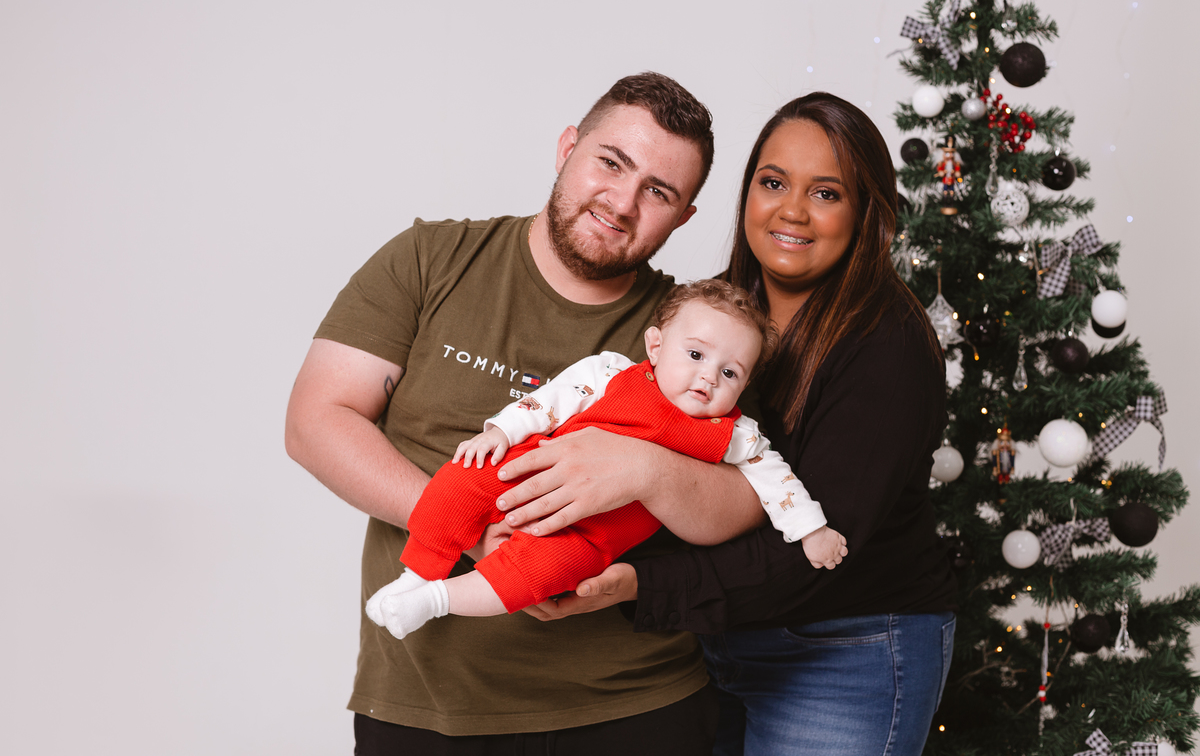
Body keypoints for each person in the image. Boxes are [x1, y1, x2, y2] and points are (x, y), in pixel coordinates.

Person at [285, 73, 765, 755]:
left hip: (635, 707)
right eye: (611, 162)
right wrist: (470, 528)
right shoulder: (432, 259)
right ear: (567, 148)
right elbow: (315, 422)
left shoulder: (699, 334)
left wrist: (646, 470)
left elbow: (747, 503)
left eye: (658, 192)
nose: (622, 203)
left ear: (684, 217)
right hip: (427, 708)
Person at [496, 93, 958, 755]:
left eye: (826, 193)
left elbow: (816, 551)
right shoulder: (713, 316)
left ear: (867, 215)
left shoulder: (889, 347)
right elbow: (649, 447)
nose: (791, 211)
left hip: (847, 648)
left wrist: (638, 585)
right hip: (716, 643)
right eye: (773, 183)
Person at [364, 280, 848, 640]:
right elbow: (551, 401)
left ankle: (435, 600)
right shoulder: (613, 373)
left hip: (589, 536)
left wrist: (812, 529)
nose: (708, 378)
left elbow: (777, 480)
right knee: (461, 481)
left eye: (730, 373)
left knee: (536, 576)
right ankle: (418, 574)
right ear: (656, 346)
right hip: (529, 470)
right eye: (696, 355)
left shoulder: (733, 433)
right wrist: (501, 431)